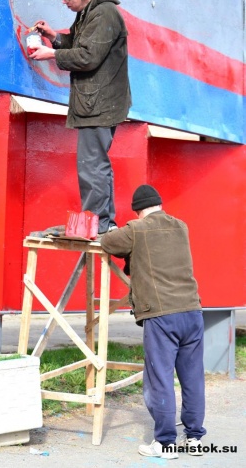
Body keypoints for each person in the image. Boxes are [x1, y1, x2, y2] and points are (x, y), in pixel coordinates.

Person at [100, 184, 206, 460]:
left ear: (138, 210)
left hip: (161, 316)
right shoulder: (181, 226)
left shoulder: (137, 229)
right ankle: (195, 439)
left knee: (160, 379)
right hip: (192, 311)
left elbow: (108, 242)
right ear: (160, 204)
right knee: (192, 379)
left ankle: (165, 443)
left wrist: (116, 228)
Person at [29, 0, 132, 235]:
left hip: (100, 102)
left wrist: (51, 53)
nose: (66, 3)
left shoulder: (104, 14)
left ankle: (96, 223)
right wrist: (55, 37)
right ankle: (103, 222)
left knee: (91, 164)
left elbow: (88, 57)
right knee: (95, 162)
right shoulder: (89, 11)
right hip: (96, 101)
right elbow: (78, 42)